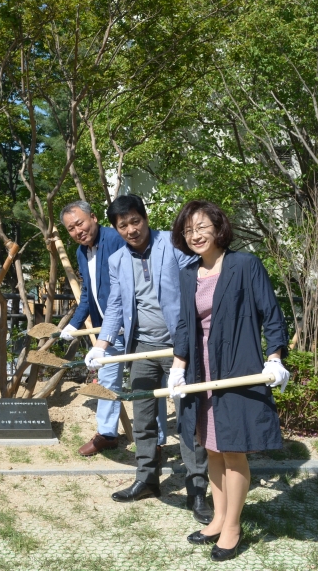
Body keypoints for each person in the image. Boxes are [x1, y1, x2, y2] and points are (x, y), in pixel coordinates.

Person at [168, 200, 289, 561]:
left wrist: (275, 357)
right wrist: (178, 367)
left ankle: (234, 525)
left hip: (236, 367)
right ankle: (219, 517)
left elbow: (271, 312)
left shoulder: (244, 265)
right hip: (199, 372)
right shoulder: (189, 272)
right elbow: (185, 325)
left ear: (218, 226)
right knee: (211, 447)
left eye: (201, 226)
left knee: (233, 448)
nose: (195, 235)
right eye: (188, 230)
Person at [93, 194, 213, 525]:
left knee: (188, 420)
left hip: (180, 348)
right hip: (142, 349)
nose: (131, 229)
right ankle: (146, 480)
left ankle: (197, 489)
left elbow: (199, 284)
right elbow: (116, 306)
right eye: (123, 225)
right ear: (116, 229)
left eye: (135, 221)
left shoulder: (173, 245)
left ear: (145, 218)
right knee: (143, 418)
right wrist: (102, 345)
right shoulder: (117, 261)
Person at [59, 200, 138, 456]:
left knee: (144, 379)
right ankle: (107, 434)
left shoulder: (116, 239)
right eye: (71, 228)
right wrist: (73, 323)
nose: (77, 231)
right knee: (106, 380)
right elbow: (87, 295)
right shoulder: (82, 253)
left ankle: (154, 440)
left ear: (93, 217)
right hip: (107, 331)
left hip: (136, 325)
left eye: (80, 223)